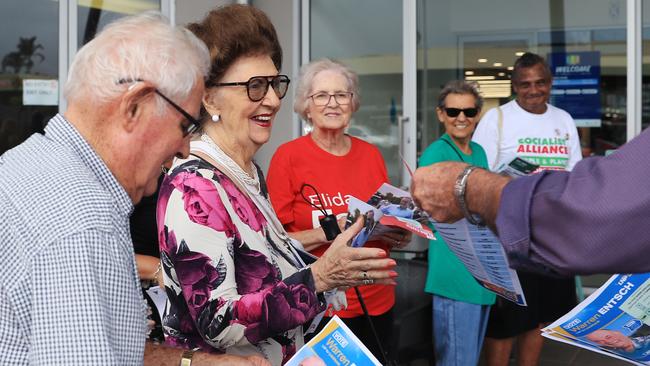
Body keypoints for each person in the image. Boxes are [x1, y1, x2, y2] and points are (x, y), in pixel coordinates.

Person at [0, 11, 263, 366]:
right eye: (186, 125)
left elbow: (107, 342)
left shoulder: (31, 164)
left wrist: (197, 363)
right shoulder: (83, 220)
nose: (185, 149)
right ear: (135, 106)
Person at [156, 6, 396, 365]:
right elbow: (217, 321)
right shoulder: (196, 186)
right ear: (208, 97)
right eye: (254, 86)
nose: (272, 99)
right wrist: (319, 278)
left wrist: (333, 265)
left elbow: (266, 269)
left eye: (274, 83)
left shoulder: (246, 172)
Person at [266, 58, 409, 361]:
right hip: (319, 304)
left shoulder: (371, 155)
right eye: (322, 95)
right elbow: (273, 242)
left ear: (353, 103)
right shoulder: (288, 157)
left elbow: (380, 217)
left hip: (376, 299)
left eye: (341, 95)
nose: (333, 103)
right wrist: (331, 230)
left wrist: (397, 232)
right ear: (307, 105)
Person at [470, 52, 580, 366]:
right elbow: (479, 173)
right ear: (514, 86)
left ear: (550, 82)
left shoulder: (563, 119)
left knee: (540, 317)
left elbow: (574, 173)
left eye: (540, 82)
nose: (533, 90)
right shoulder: (497, 119)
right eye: (525, 84)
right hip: (509, 234)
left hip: (551, 234)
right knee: (505, 322)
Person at [418, 80, 496, 366]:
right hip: (454, 274)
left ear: (477, 114)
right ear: (441, 114)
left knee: (469, 360)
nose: (461, 118)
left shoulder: (479, 152)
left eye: (469, 111)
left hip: (482, 274)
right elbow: (427, 211)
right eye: (453, 111)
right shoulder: (435, 154)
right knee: (456, 361)